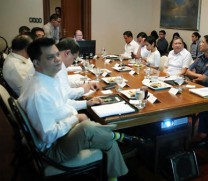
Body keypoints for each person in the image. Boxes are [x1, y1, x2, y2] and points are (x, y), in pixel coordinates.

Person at [18, 37, 145, 180]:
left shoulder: (49, 78)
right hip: (51, 150)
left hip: (61, 135)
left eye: (57, 54)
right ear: (36, 63)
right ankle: (119, 136)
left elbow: (63, 103)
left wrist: (86, 104)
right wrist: (76, 118)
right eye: (50, 57)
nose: (57, 59)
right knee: (86, 127)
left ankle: (114, 168)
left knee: (107, 141)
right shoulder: (39, 94)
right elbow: (48, 135)